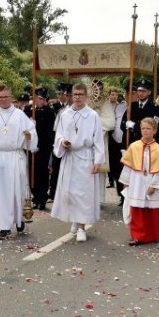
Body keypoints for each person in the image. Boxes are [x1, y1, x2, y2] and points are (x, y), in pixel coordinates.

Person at [0, 84, 37, 239]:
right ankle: (4, 226)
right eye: (0, 97)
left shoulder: (20, 114)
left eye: (6, 96)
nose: (3, 100)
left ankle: (19, 219)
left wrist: (29, 135)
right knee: (0, 194)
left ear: (11, 97)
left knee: (17, 190)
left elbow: (32, 132)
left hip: (15, 156)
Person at [51, 82, 103, 242]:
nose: (78, 97)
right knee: (70, 192)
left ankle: (81, 227)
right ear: (71, 96)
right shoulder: (65, 115)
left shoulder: (92, 115)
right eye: (75, 94)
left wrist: (98, 160)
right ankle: (74, 218)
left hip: (85, 157)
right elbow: (58, 135)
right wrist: (62, 142)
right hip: (70, 157)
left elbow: (98, 140)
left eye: (81, 94)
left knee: (82, 194)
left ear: (86, 96)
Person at [119, 118, 159, 246]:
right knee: (137, 209)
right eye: (143, 128)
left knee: (151, 210)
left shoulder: (158, 149)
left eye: (148, 128)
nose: (145, 131)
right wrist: (125, 182)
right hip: (136, 182)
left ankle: (153, 234)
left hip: (150, 182)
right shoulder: (134, 146)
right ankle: (137, 236)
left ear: (154, 131)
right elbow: (128, 166)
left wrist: (154, 185)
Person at [31, 88, 56, 210]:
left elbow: (49, 130)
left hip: (43, 147)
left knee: (42, 173)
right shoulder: (29, 110)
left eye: (42, 99)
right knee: (32, 173)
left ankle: (42, 197)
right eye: (38, 98)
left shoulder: (49, 112)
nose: (40, 101)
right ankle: (35, 196)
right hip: (31, 147)